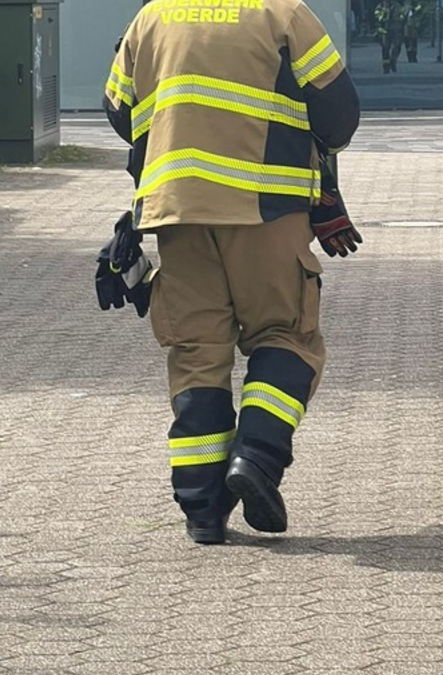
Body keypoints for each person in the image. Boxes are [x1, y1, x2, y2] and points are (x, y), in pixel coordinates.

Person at [94, 0, 362, 545]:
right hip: (266, 209)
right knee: (288, 335)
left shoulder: (152, 18)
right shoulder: (284, 14)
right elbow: (339, 117)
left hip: (176, 212)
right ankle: (257, 458)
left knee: (197, 352)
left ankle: (203, 510)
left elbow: (119, 110)